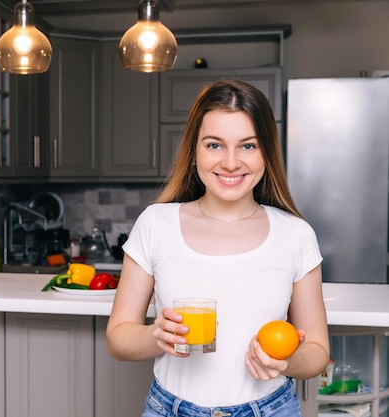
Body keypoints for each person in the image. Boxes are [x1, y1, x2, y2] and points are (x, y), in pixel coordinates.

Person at [106, 80, 330, 416]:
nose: (229, 162)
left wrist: (284, 361)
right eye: (214, 145)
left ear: (267, 153)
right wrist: (157, 336)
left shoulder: (296, 235)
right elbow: (118, 338)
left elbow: (317, 350)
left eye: (247, 146)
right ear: (194, 150)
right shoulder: (155, 224)